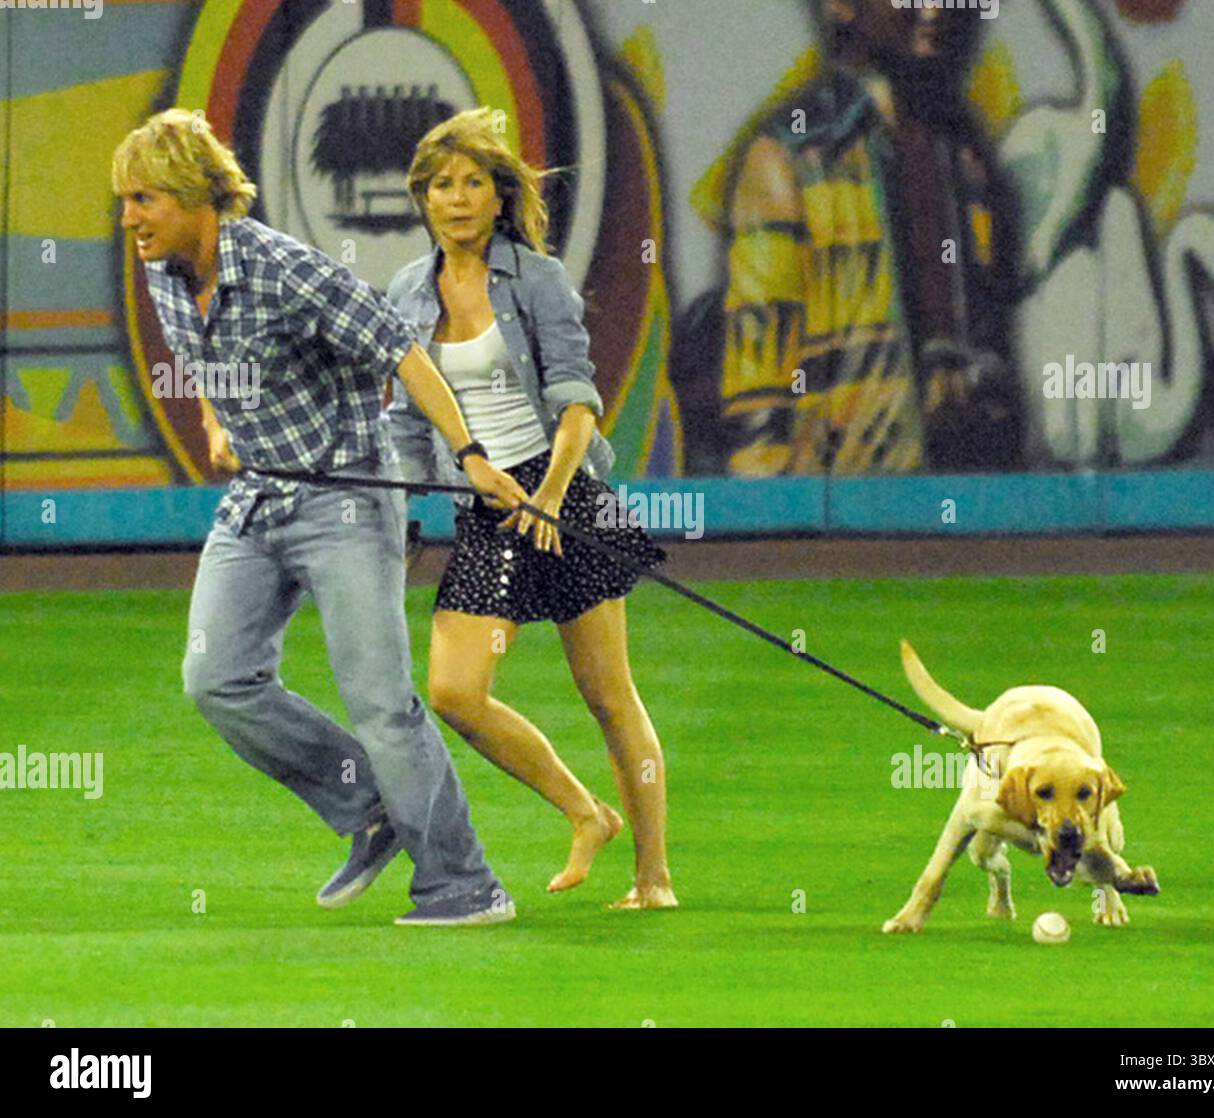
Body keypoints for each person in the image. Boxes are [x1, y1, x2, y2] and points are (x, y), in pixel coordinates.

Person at [113, 109, 530, 926]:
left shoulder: (283, 269)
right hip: (259, 496)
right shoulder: (164, 273)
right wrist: (217, 418)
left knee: (381, 702)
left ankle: (464, 885)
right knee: (216, 679)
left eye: (144, 199)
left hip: (345, 496)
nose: (128, 218)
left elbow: (401, 349)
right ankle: (369, 806)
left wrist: (472, 455)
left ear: (195, 197)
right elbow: (204, 356)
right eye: (125, 200)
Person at [385, 108, 677, 909]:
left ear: (499, 195)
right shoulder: (406, 294)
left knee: (609, 697)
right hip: (486, 507)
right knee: (454, 692)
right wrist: (404, 521)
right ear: (422, 198)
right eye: (442, 185)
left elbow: (579, 403)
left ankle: (653, 877)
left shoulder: (537, 279)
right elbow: (406, 421)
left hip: (564, 495)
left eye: (474, 183)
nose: (457, 199)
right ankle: (586, 813)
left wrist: (550, 496)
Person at [716, 0, 1020, 475]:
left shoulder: (962, 157)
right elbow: (758, 396)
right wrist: (779, 499)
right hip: (845, 496)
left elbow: (990, 334)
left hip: (962, 494)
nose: (934, 8)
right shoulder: (789, 157)